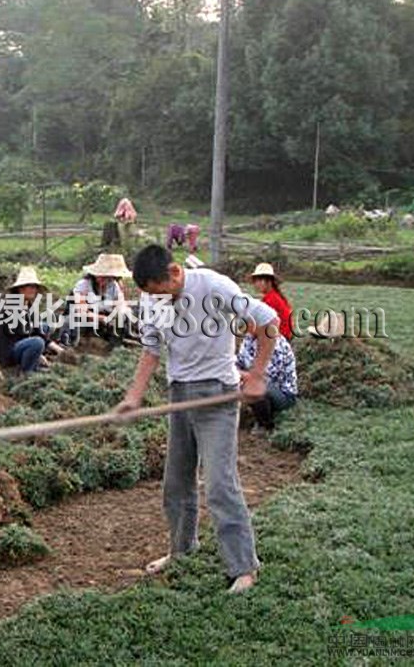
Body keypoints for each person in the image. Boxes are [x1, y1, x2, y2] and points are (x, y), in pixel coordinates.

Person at [117, 244, 280, 594]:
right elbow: (151, 351)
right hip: (179, 396)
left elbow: (268, 322)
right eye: (149, 295)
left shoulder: (214, 286)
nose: (156, 299)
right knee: (176, 483)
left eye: (159, 291)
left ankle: (244, 567)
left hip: (217, 396)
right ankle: (181, 550)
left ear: (174, 273)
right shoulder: (153, 299)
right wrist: (133, 397)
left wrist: (257, 375)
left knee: (220, 485)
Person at [0, 267, 63, 374]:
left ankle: (36, 357)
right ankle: (27, 371)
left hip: (18, 342)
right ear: (21, 289)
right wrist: (38, 355)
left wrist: (57, 348)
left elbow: (37, 330)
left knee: (44, 327)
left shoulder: (28, 305)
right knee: (37, 342)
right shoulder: (11, 306)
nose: (34, 290)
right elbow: (19, 335)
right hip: (7, 350)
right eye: (30, 287)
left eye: (35, 287)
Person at [59, 254, 131, 347]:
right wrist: (102, 319)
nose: (103, 279)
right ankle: (72, 344)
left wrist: (118, 313)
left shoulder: (113, 286)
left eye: (107, 277)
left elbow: (121, 303)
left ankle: (114, 345)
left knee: (125, 315)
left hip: (103, 319)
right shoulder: (83, 285)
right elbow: (82, 311)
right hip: (83, 319)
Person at [236, 330, 297, 430]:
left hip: (282, 394)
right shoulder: (249, 338)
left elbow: (266, 376)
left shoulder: (275, 344)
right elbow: (239, 362)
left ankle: (265, 425)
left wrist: (243, 377)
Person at [250, 263, 293, 340]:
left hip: (279, 338)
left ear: (266, 282)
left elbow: (262, 324)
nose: (255, 285)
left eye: (257, 281)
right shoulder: (275, 296)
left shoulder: (271, 300)